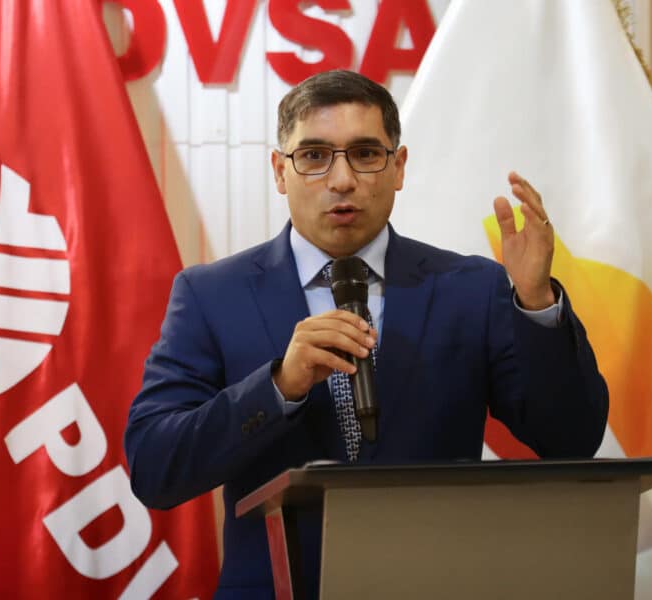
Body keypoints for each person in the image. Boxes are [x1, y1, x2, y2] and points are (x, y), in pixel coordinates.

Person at [124, 69, 608, 599]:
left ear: (398, 167)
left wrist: (536, 302)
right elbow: (156, 468)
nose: (341, 180)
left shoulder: (472, 287)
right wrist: (279, 386)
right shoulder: (211, 294)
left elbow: (572, 438)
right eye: (313, 156)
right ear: (280, 172)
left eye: (365, 154)